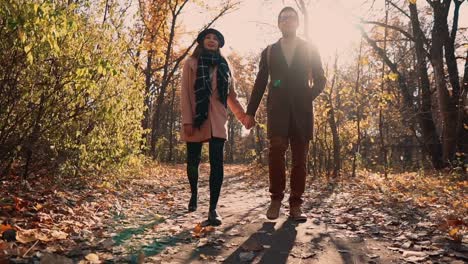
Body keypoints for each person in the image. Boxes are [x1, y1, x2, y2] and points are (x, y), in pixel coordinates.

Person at [244, 7, 326, 221]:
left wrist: (308, 96)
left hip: (303, 112)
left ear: (297, 22)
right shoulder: (270, 51)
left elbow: (321, 79)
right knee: (276, 152)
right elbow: (260, 82)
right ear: (279, 23)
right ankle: (276, 200)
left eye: (291, 18)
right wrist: (250, 112)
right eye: (283, 18)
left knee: (300, 159)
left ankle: (296, 205)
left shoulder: (310, 49)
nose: (287, 21)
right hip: (277, 111)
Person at [180, 28, 249, 226]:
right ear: (201, 42)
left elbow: (231, 95)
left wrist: (243, 116)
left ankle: (213, 209)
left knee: (217, 164)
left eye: (216, 39)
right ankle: (194, 193)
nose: (212, 41)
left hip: (218, 120)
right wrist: (187, 121)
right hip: (196, 118)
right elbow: (185, 93)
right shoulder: (191, 63)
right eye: (208, 38)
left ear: (220, 44)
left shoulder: (224, 65)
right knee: (193, 161)